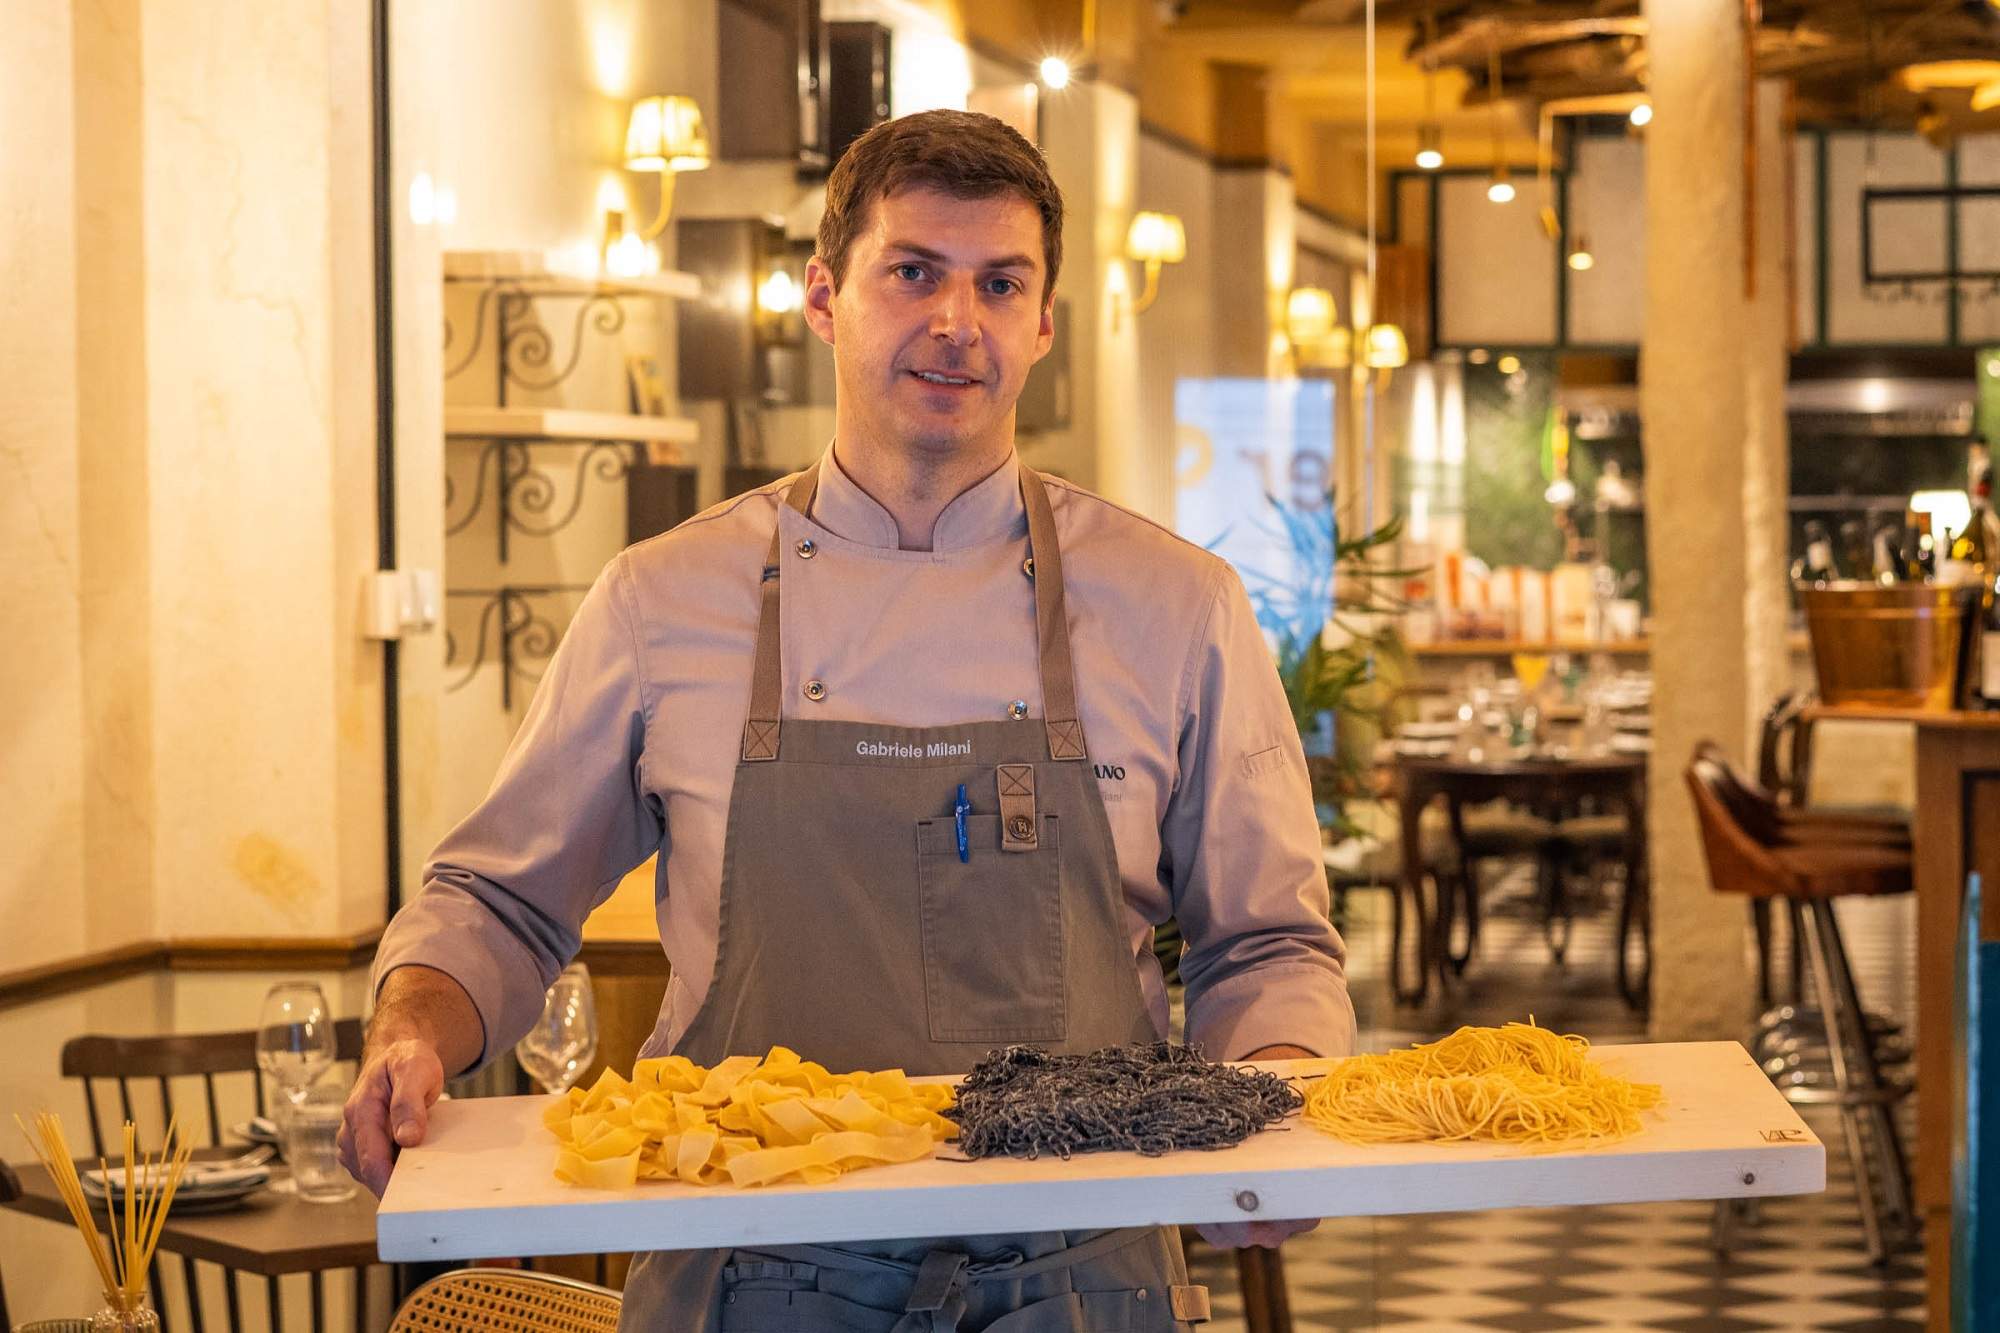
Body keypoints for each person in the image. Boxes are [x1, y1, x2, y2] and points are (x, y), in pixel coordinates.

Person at [340, 107, 1355, 1330]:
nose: (953, 322)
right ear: (822, 295)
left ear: (1042, 324)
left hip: (1082, 1280)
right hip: (745, 1275)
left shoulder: (1177, 606)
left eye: (998, 283)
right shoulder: (661, 601)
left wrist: (1280, 1098)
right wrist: (411, 1032)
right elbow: (498, 899)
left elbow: (1268, 944)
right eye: (910, 272)